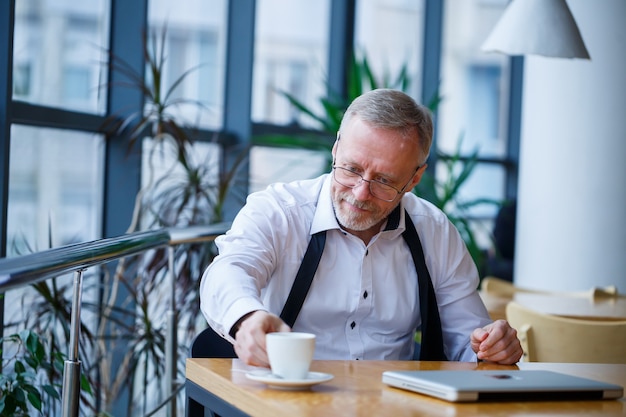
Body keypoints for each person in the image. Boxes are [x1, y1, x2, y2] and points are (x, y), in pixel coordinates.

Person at [200, 89, 522, 367]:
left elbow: (468, 341)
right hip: (282, 398)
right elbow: (228, 271)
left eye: (384, 180)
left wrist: (491, 347)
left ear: (414, 179)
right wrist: (247, 318)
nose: (360, 193)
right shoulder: (280, 211)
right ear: (336, 148)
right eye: (352, 169)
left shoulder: (434, 231)